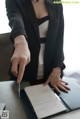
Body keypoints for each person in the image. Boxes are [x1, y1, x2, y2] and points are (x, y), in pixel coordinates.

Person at [6, 0, 70, 93]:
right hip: (24, 73)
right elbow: (15, 21)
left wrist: (57, 70)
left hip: (51, 74)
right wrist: (20, 41)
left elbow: (59, 38)